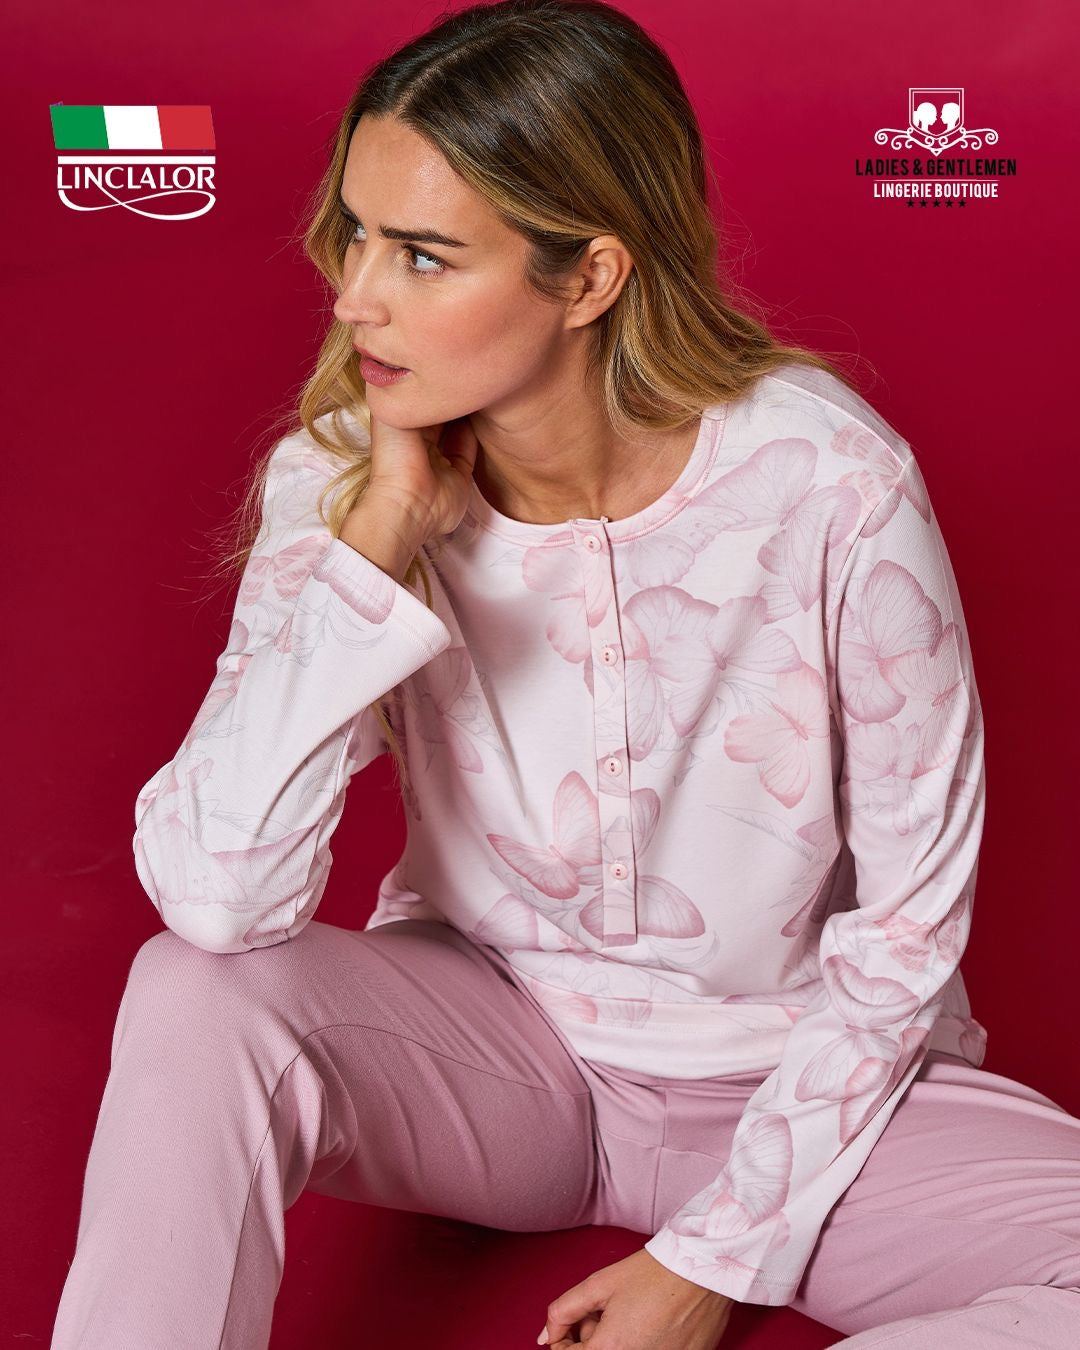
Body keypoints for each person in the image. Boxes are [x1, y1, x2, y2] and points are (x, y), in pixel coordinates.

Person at [51, 2, 1080, 1348]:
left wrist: (711, 1260)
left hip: (806, 1083)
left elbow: (905, 936)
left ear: (589, 276)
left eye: (423, 255)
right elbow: (218, 896)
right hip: (497, 1058)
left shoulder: (833, 482)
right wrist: (373, 551)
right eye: (356, 234)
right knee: (195, 992)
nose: (355, 296)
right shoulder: (344, 480)